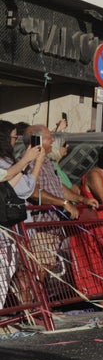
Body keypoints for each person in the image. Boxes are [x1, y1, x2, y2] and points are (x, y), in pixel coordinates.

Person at [0, 120, 45, 309]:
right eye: (13, 137)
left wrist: (26, 163)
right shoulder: (4, 162)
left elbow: (16, 178)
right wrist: (34, 162)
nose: (15, 141)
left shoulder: (9, 163)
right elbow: (21, 186)